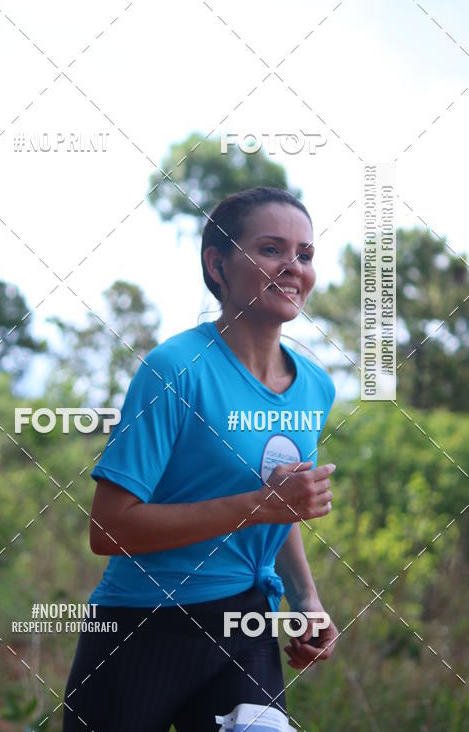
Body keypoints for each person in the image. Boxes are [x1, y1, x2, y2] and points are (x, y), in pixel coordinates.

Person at [62, 186, 339, 732]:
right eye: (270, 249)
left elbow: (276, 508)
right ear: (218, 264)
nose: (293, 267)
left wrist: (307, 599)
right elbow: (108, 531)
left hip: (248, 623)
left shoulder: (316, 388)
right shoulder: (174, 370)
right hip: (141, 628)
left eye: (304, 254)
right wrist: (258, 505)